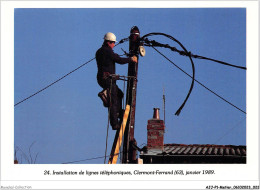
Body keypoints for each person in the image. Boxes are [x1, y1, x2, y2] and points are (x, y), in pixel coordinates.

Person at [96, 32, 137, 130]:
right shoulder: (108, 51)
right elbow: (119, 60)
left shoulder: (99, 51)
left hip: (103, 78)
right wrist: (131, 59)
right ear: (109, 42)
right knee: (113, 101)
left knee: (119, 94)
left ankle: (119, 113)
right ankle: (115, 123)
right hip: (108, 79)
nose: (114, 45)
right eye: (113, 43)